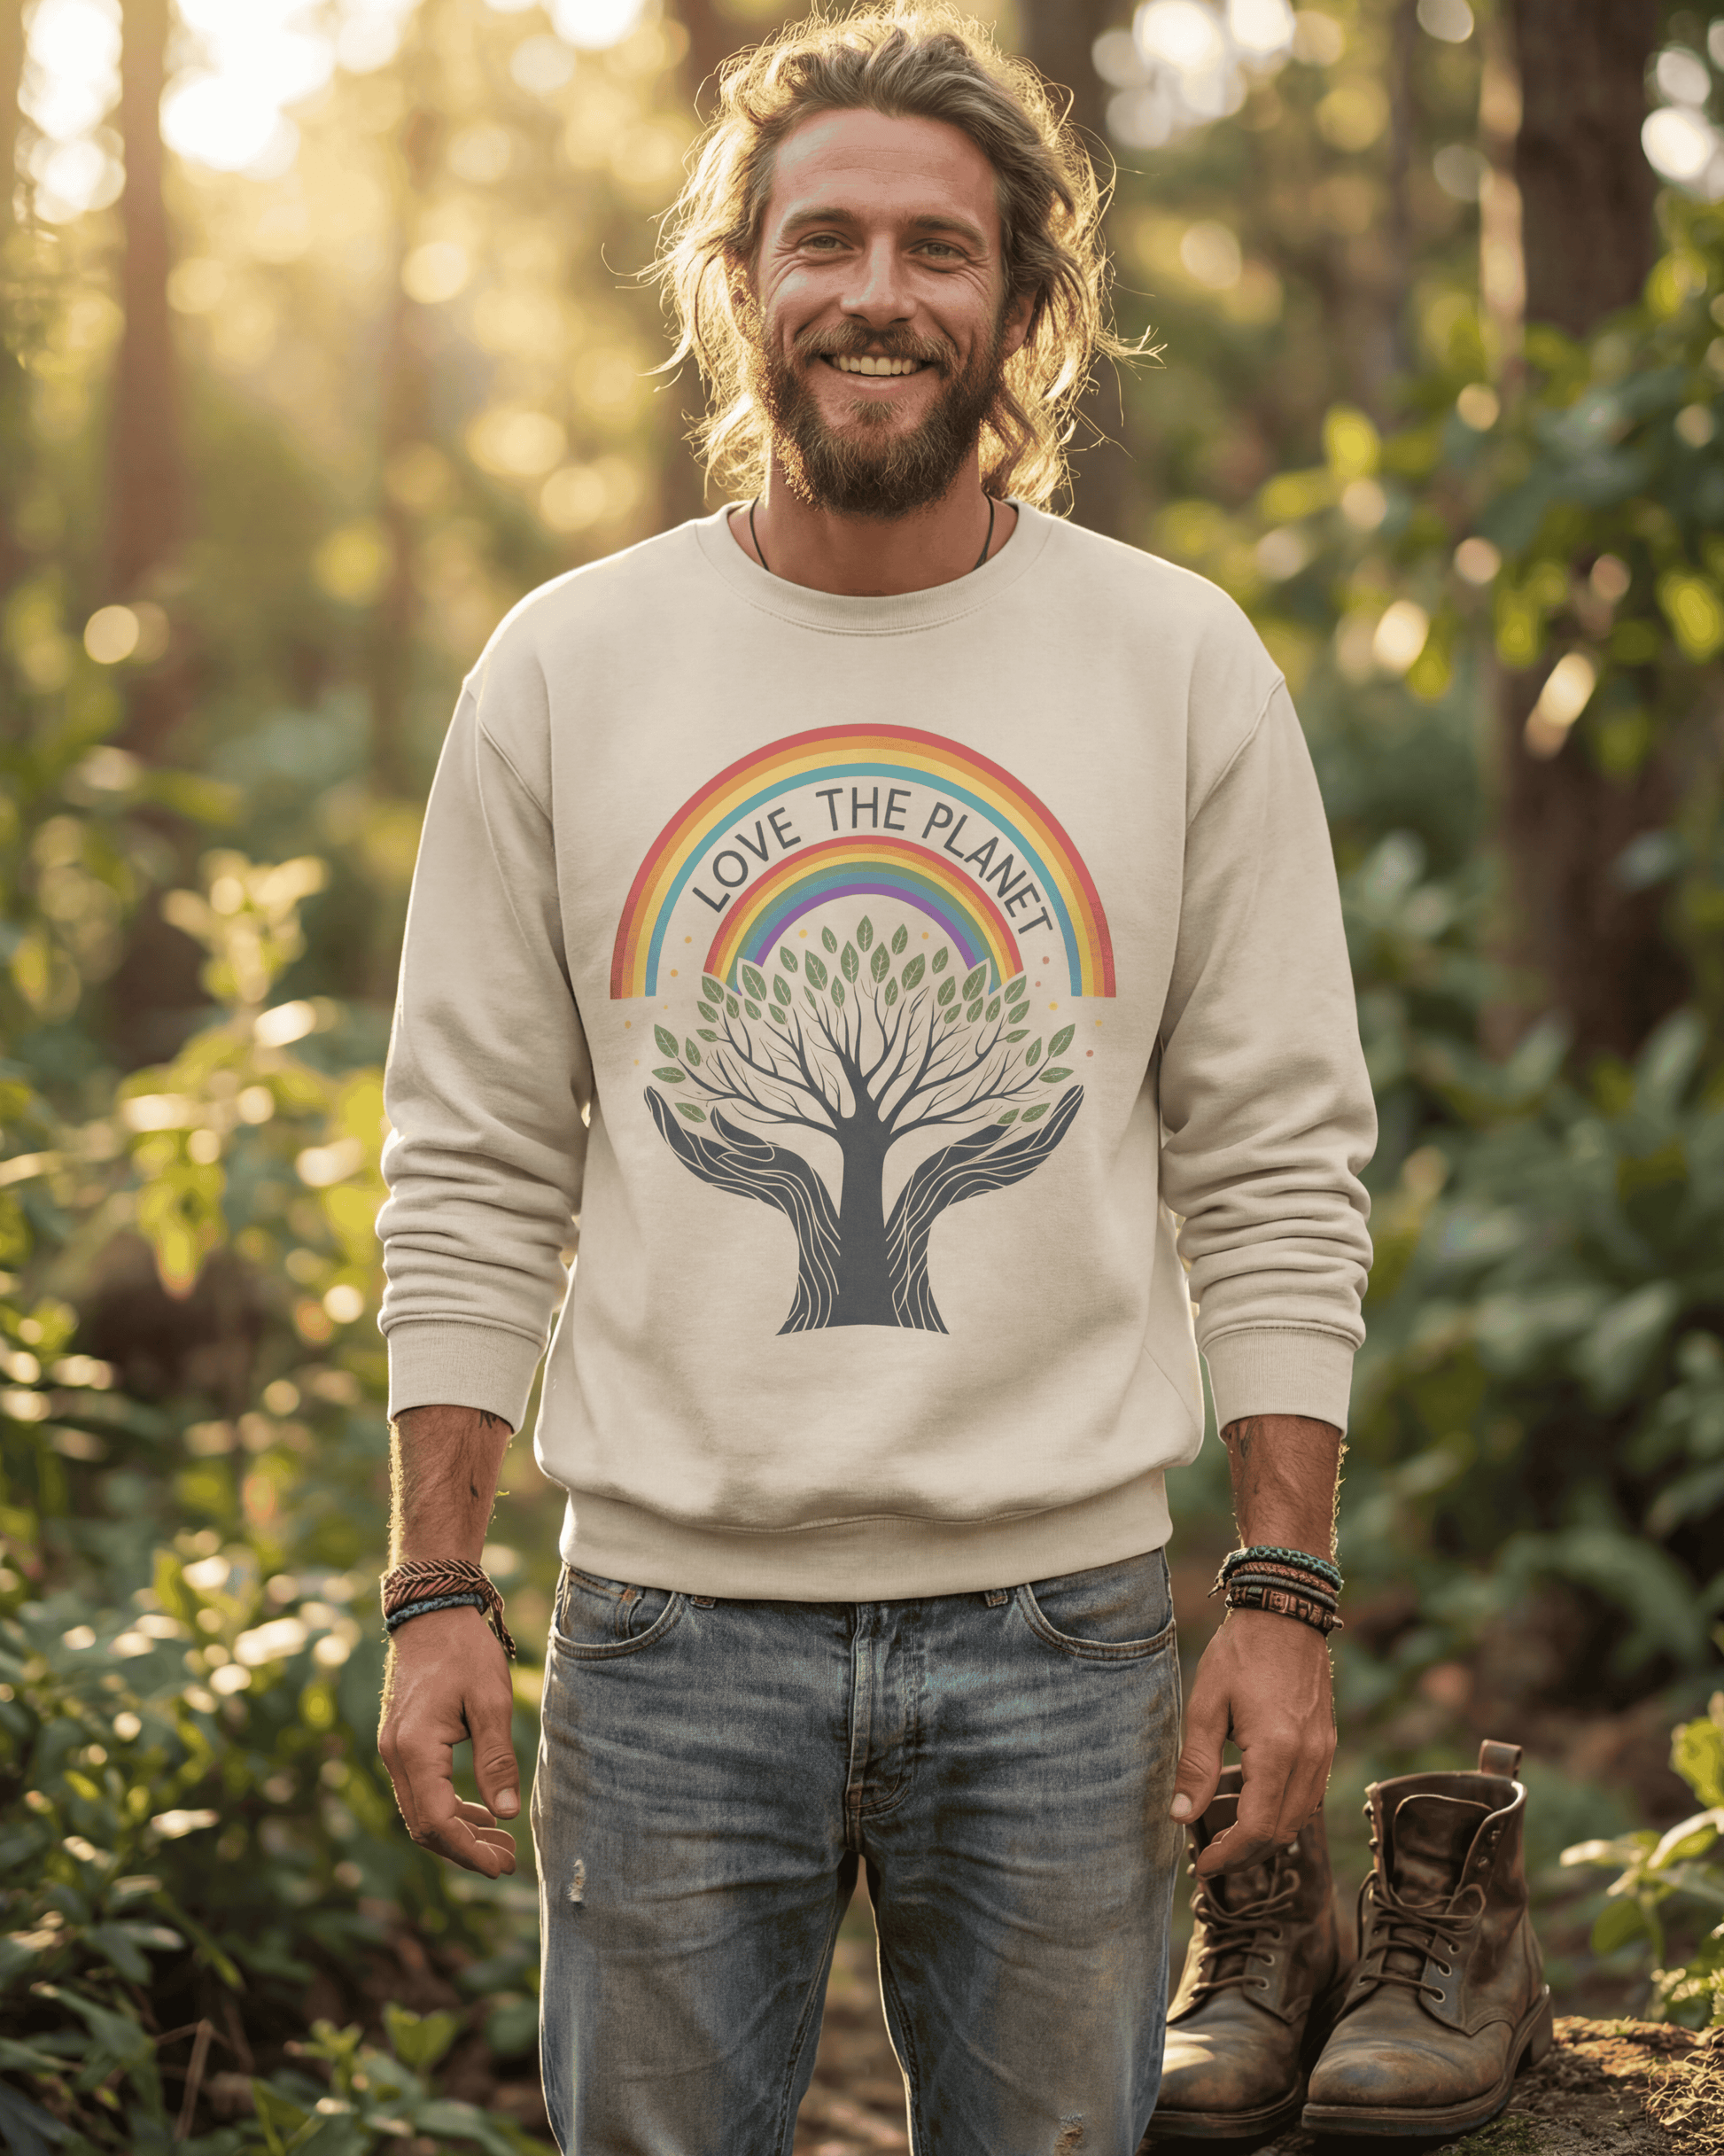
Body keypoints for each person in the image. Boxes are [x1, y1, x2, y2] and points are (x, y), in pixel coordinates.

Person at [374, 9, 1374, 2152]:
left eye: (940, 247)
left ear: (1025, 298)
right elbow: (468, 1158)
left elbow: (1279, 1157)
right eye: (822, 238)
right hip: (660, 1644)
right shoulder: (566, 666)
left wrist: (1277, 1600)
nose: (878, 294)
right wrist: (433, 1586)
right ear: (738, 281)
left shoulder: (1176, 661)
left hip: (1061, 1638)